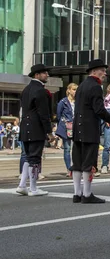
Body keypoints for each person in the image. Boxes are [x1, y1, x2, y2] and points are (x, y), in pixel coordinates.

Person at [71, 59, 110, 204]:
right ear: (94, 71)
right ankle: (87, 193)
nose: (105, 73)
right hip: (90, 128)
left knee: (77, 161)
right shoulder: (96, 87)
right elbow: (98, 109)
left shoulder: (82, 85)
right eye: (103, 70)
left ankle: (77, 193)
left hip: (78, 128)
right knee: (89, 161)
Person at [16, 64, 53, 197]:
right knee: (35, 158)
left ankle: (22, 185)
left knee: (28, 157)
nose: (47, 75)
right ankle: (33, 187)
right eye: (44, 73)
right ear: (37, 75)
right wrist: (49, 131)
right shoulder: (40, 91)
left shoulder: (26, 89)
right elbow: (43, 113)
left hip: (25, 127)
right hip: (36, 128)